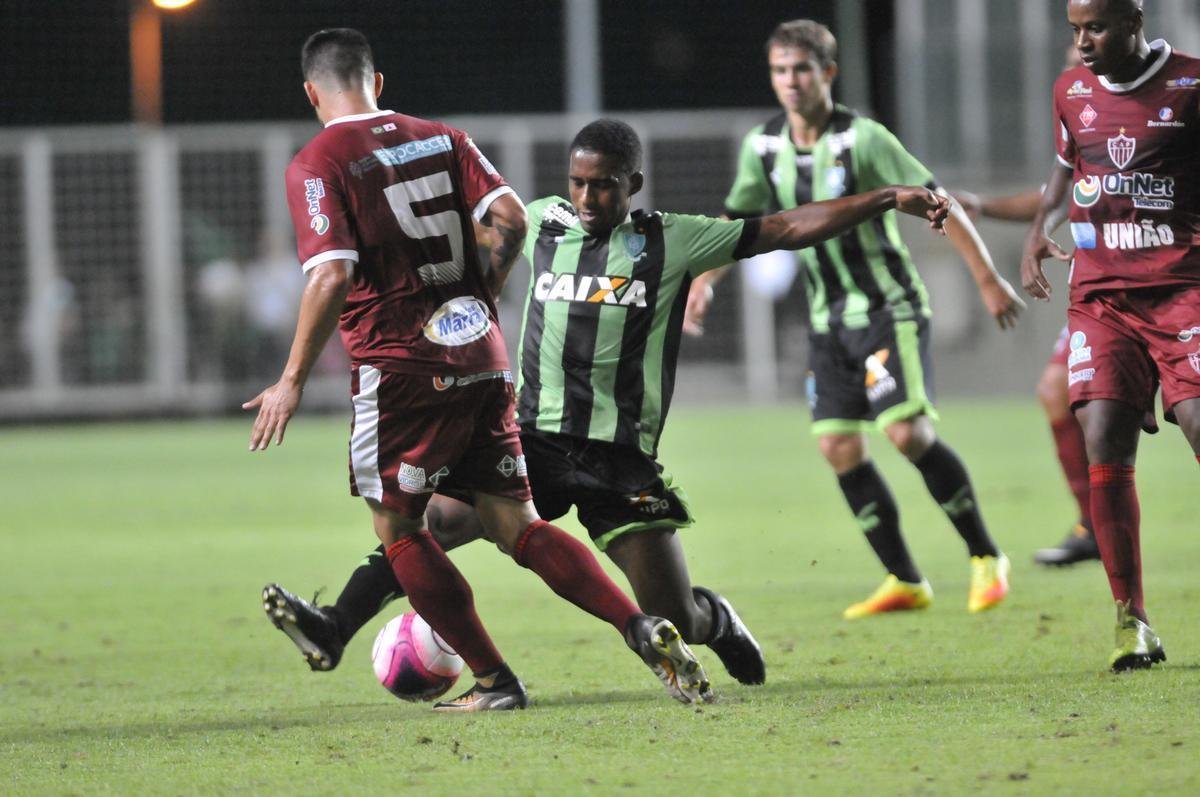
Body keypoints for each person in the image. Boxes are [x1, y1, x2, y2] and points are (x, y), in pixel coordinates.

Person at [261, 117, 951, 692]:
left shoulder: (673, 238)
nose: (588, 197)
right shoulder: (539, 223)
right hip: (530, 437)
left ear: (634, 185)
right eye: (579, 182)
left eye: (605, 185)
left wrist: (887, 197)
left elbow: (788, 226)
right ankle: (333, 625)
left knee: (673, 611)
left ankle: (716, 619)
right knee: (427, 522)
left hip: (619, 459)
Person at [246, 28, 714, 712]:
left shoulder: (317, 162)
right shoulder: (442, 136)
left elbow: (334, 273)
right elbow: (510, 219)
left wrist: (290, 376)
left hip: (399, 366)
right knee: (515, 521)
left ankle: (496, 681)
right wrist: (480, 298)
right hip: (481, 359)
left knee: (401, 529)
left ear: (313, 92)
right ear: (377, 83)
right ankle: (639, 625)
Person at [687, 19, 1025, 619]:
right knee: (838, 445)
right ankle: (904, 579)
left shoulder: (864, 139)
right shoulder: (762, 148)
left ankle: (985, 556)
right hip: (826, 320)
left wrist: (988, 279)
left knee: (906, 433)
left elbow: (936, 203)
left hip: (887, 308)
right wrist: (704, 283)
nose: (790, 82)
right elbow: (736, 225)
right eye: (780, 70)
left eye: (801, 69)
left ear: (828, 73)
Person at [1020, 0, 1199, 671]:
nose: (1083, 42)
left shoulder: (1191, 86)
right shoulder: (1070, 91)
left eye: (1095, 28)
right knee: (1101, 434)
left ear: (1133, 21)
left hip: (1185, 286)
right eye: (1074, 30)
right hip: (1102, 294)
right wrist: (1040, 230)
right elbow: (1066, 165)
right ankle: (1133, 619)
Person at [953, 46, 1101, 568]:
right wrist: (983, 206)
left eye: (1083, 53)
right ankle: (1094, 527)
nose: (1072, 69)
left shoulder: (1157, 113)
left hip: (1169, 291)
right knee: (1055, 391)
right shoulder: (1085, 130)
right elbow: (1051, 197)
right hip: (1104, 299)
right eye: (1067, 58)